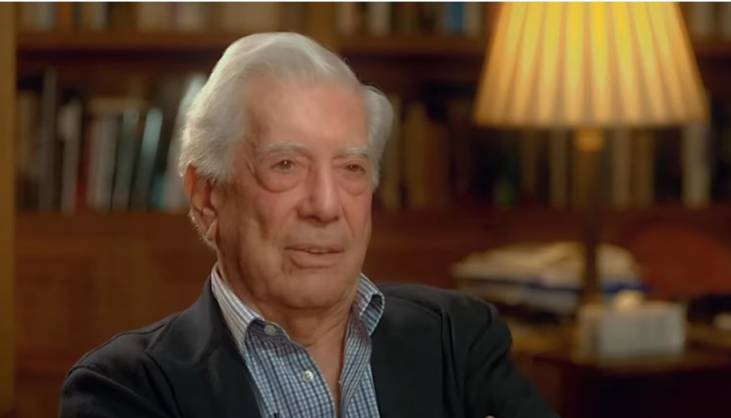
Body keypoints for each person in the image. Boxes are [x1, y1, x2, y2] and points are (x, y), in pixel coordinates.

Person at [59, 32, 559, 418]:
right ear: (207, 197)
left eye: (351, 168)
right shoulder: (124, 390)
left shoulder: (458, 339)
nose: (325, 205)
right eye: (286, 165)